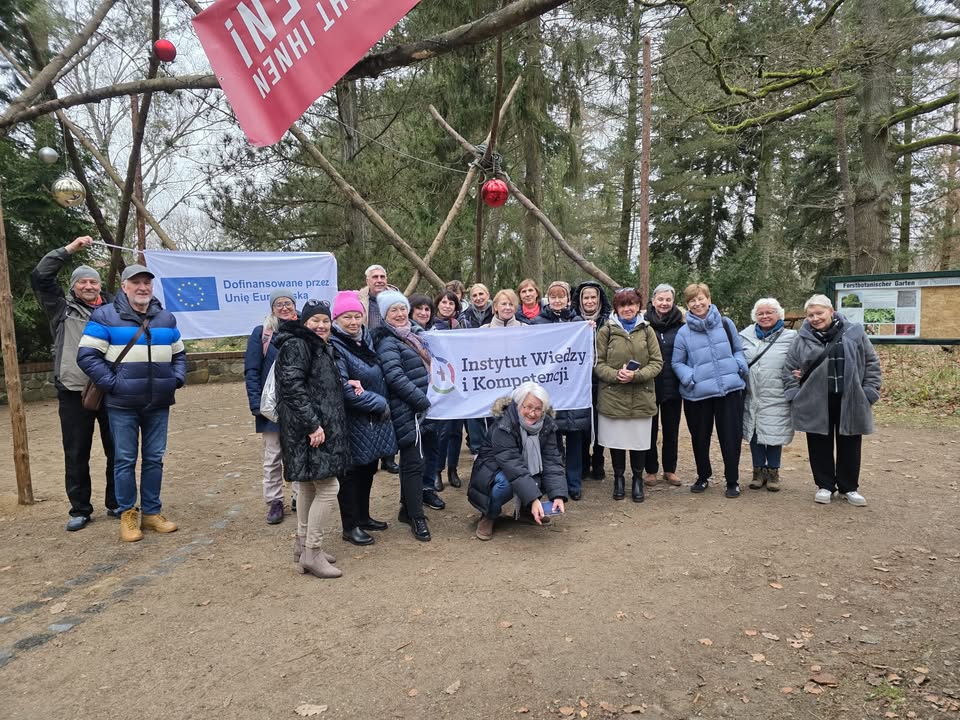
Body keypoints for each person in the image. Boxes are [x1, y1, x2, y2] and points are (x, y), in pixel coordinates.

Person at [78, 264, 186, 542]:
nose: (142, 287)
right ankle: (127, 513)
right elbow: (87, 355)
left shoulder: (165, 318)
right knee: (125, 460)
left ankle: (151, 512)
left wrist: (175, 379)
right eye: (136, 282)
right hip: (122, 404)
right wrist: (113, 384)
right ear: (124, 286)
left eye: (147, 283)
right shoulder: (105, 316)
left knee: (154, 459)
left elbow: (179, 354)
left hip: (158, 402)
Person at [31, 236, 118, 531]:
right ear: (73, 286)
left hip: (110, 388)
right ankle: (80, 509)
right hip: (73, 390)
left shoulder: (114, 310)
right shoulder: (60, 308)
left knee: (117, 449)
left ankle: (116, 502)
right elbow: (41, 277)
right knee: (77, 452)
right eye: (83, 282)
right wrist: (69, 249)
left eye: (93, 282)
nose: (89, 286)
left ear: (100, 286)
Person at [273, 300, 350, 578]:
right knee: (328, 488)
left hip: (313, 428)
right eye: (315, 320)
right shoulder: (298, 345)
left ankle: (302, 545)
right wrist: (312, 424)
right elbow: (292, 387)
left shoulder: (317, 345)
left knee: (308, 486)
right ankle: (312, 552)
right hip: (309, 430)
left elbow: (317, 384)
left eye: (325, 320)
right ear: (304, 323)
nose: (321, 325)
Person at [783, 294, 881, 506]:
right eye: (811, 315)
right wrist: (794, 395)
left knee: (850, 444)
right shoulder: (801, 339)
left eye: (819, 313)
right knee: (818, 444)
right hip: (815, 401)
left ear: (831, 312)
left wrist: (869, 392)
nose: (815, 318)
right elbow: (789, 368)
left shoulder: (854, 333)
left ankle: (849, 487)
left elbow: (871, 362)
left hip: (850, 399)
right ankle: (824, 485)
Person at [328, 291, 397, 546]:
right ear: (336, 319)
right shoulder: (335, 346)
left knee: (368, 469)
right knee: (350, 476)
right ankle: (350, 525)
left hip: (371, 421)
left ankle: (364, 516)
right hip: (352, 420)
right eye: (347, 317)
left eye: (357, 316)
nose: (354, 322)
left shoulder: (365, 339)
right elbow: (345, 389)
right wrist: (379, 403)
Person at [672, 283, 748, 498]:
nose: (697, 304)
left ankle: (732, 480)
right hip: (698, 394)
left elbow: (738, 349)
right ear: (687, 305)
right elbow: (677, 362)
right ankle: (703, 476)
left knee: (731, 437)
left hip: (729, 390)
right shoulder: (683, 333)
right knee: (700, 438)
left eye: (700, 298)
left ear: (709, 299)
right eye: (692, 301)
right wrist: (690, 377)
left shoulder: (726, 324)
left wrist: (739, 365)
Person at [371, 291, 436, 541]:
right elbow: (395, 377)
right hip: (406, 409)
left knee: (417, 461)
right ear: (385, 315)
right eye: (393, 311)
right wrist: (422, 401)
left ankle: (406, 509)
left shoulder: (414, 335)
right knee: (413, 462)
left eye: (401, 309)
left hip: (419, 407)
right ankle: (416, 516)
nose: (399, 314)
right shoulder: (388, 341)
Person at [468, 382, 567, 540]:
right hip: (493, 471)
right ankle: (489, 515)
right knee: (506, 484)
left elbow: (552, 461)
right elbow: (513, 467)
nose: (532, 413)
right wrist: (534, 499)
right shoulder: (504, 425)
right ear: (518, 404)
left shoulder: (547, 425)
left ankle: (526, 511)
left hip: (521, 468)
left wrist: (558, 495)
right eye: (528, 407)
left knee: (540, 472)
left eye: (538, 409)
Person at [594, 288, 663, 502]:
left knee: (638, 441)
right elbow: (598, 363)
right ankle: (618, 478)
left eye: (631, 304)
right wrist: (616, 375)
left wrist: (636, 375)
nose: (627, 309)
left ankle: (637, 479)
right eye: (622, 305)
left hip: (641, 396)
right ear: (616, 308)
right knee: (616, 441)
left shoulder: (647, 330)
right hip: (613, 396)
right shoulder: (606, 331)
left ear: (638, 306)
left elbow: (657, 362)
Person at [244, 289, 299, 525]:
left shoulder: (303, 329)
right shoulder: (262, 333)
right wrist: (256, 404)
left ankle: (299, 496)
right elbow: (252, 370)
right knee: (273, 456)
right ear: (272, 308)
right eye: (279, 304)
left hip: (298, 404)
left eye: (288, 303)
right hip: (270, 406)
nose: (284, 307)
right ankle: (275, 501)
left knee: (299, 452)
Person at [532, 281, 591, 500]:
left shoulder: (578, 323)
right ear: (548, 299)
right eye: (553, 296)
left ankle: (574, 483)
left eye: (561, 296)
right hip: (550, 393)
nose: (557, 300)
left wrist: (589, 330)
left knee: (575, 440)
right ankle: (554, 483)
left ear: (568, 299)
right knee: (551, 442)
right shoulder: (537, 323)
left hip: (573, 391)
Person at [739, 298, 797, 492]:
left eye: (769, 312)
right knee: (754, 432)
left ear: (779, 314)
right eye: (760, 313)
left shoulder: (791, 337)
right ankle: (758, 471)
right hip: (752, 393)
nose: (764, 316)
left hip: (777, 393)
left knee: (774, 432)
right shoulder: (744, 336)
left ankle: (773, 471)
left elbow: (800, 359)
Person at [356, 263, 399, 474]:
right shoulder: (359, 300)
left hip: (391, 355)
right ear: (367, 280)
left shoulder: (395, 297)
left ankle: (389, 457)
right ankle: (372, 452)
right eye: (375, 277)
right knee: (372, 404)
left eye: (382, 276)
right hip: (366, 357)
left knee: (391, 405)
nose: (379, 280)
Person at [644, 284, 685, 488]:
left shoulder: (681, 325)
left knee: (671, 430)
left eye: (668, 300)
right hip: (649, 386)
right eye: (660, 299)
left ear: (673, 302)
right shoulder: (644, 324)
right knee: (649, 430)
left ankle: (670, 469)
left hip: (673, 386)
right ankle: (651, 470)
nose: (664, 303)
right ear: (653, 301)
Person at [572, 280, 613, 480]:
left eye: (593, 297)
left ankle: (598, 460)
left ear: (599, 299)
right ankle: (583, 461)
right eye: (585, 298)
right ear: (580, 300)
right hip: (579, 381)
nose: (589, 301)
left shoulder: (609, 322)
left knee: (600, 422)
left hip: (602, 380)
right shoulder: (572, 322)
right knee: (582, 424)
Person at [433, 290, 464, 491]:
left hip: (459, 385)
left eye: (451, 303)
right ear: (438, 304)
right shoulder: (431, 326)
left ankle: (453, 469)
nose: (447, 306)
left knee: (456, 432)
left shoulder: (459, 326)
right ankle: (437, 470)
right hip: (440, 385)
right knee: (442, 432)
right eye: (444, 302)